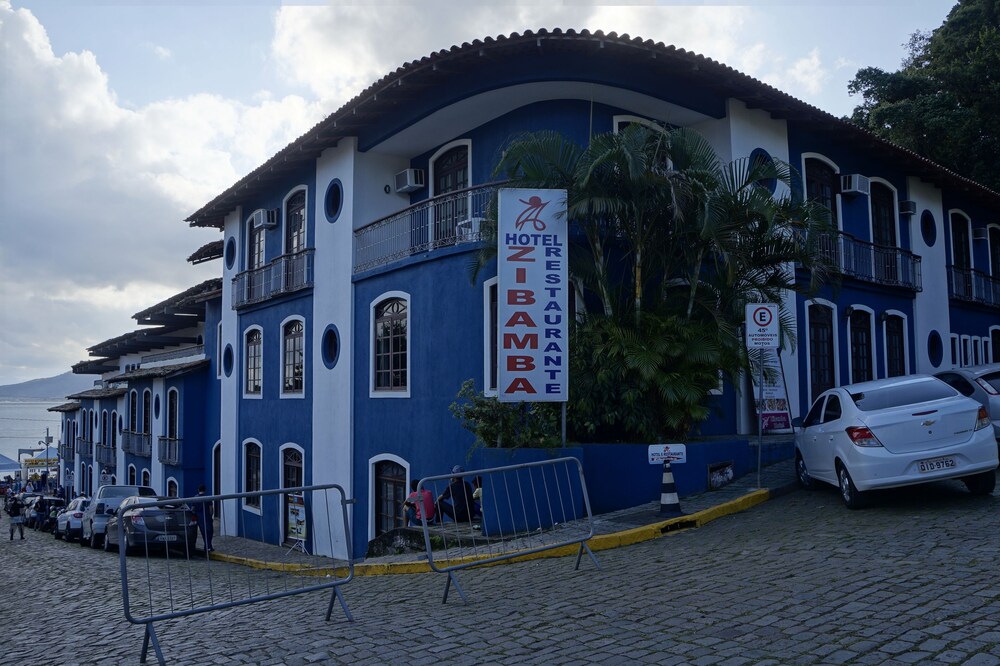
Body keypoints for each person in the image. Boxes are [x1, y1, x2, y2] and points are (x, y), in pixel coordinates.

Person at [193, 484, 214, 552]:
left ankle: (207, 546)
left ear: (198, 490)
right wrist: (211, 516)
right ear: (205, 490)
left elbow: (193, 508)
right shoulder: (207, 498)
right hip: (207, 516)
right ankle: (208, 546)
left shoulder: (195, 498)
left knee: (204, 532)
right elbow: (211, 509)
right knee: (209, 532)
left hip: (199, 517)